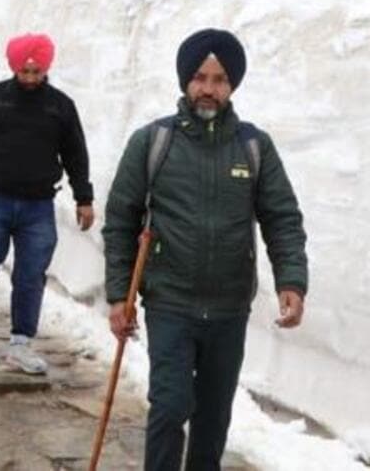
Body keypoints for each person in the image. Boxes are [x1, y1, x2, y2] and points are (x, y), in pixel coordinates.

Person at [102, 29, 309, 471]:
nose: (208, 88)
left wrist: (291, 279)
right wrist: (119, 294)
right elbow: (121, 219)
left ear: (232, 85)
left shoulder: (253, 147)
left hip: (229, 307)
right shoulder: (154, 142)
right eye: (199, 77)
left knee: (213, 419)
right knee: (171, 405)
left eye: (219, 79)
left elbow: (282, 217)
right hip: (170, 301)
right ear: (185, 81)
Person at [0, 33, 93, 375]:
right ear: (14, 66)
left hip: (38, 205)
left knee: (31, 274)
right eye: (25, 71)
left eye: (37, 71)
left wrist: (83, 197)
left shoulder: (60, 106)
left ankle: (19, 345)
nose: (31, 78)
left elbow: (76, 154)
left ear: (46, 68)